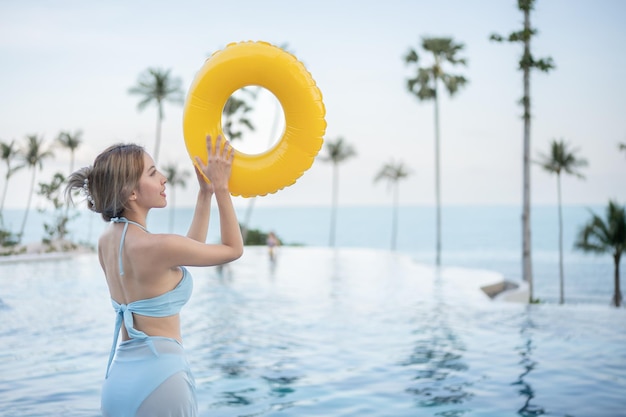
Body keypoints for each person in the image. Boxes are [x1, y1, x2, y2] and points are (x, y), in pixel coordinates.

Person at [65, 135, 243, 417]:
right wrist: (222, 189)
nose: (164, 179)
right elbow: (233, 249)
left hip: (118, 382)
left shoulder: (107, 242)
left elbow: (184, 253)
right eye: (152, 173)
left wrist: (204, 194)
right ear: (130, 193)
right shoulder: (159, 246)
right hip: (162, 380)